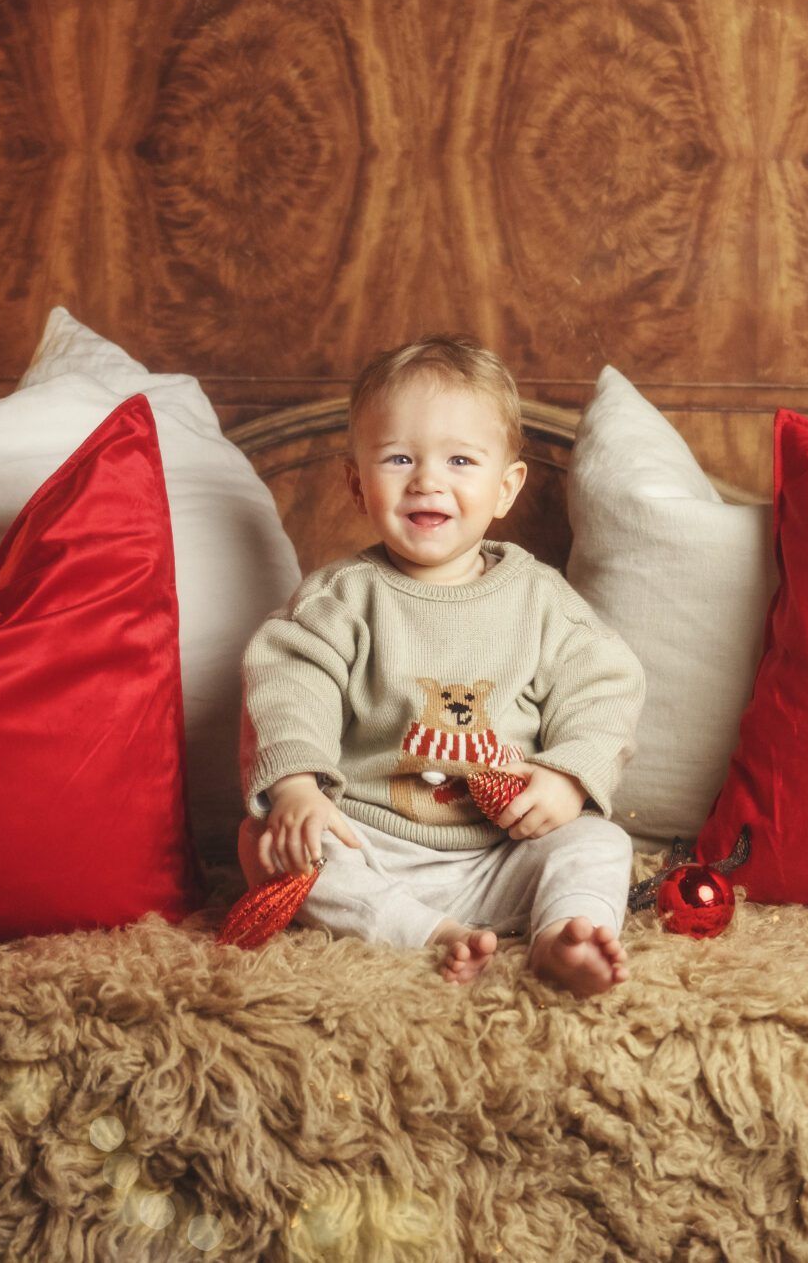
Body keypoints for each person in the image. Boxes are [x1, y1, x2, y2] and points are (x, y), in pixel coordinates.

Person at [239, 335, 644, 994]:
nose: (428, 479)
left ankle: (563, 935)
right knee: (274, 847)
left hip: (502, 851)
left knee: (599, 841)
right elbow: (289, 685)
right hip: (373, 842)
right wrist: (297, 790)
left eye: (460, 459)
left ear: (506, 487)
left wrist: (568, 777)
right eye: (399, 458)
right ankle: (430, 935)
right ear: (356, 482)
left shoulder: (538, 598)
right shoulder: (342, 598)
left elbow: (605, 687)